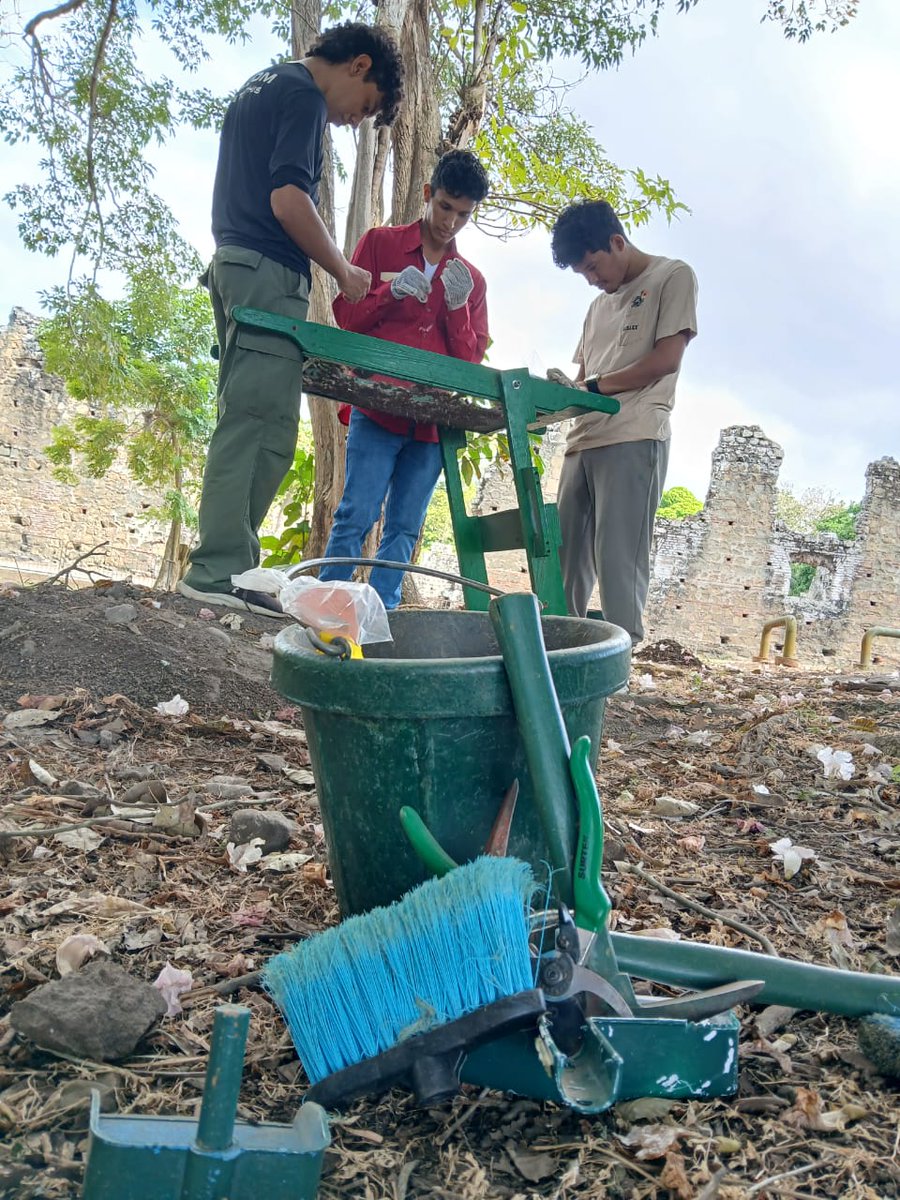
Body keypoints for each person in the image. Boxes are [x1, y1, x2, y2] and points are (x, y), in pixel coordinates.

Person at [178, 23, 405, 617]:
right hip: (265, 273)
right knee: (260, 425)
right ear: (358, 66)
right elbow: (288, 200)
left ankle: (228, 564)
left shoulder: (260, 85)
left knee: (249, 418)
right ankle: (217, 571)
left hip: (234, 263)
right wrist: (342, 271)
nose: (356, 121)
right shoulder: (302, 94)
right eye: (367, 107)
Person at [317, 149, 490, 610]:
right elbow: (346, 317)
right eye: (445, 207)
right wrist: (387, 293)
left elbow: (469, 363)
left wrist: (457, 310)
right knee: (356, 514)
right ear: (429, 194)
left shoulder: (471, 280)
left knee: (405, 526)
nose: (451, 222)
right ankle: (325, 608)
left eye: (463, 214)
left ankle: (383, 614)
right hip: (376, 409)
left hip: (431, 424)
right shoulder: (379, 244)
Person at [549, 199, 698, 643]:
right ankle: (563, 652)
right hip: (582, 440)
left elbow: (666, 360)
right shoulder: (597, 307)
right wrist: (562, 392)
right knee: (566, 561)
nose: (594, 280)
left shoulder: (673, 276)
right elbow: (582, 377)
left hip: (634, 433)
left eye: (595, 267)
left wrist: (592, 389)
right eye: (584, 275)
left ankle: (619, 662)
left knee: (618, 560)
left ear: (617, 241)